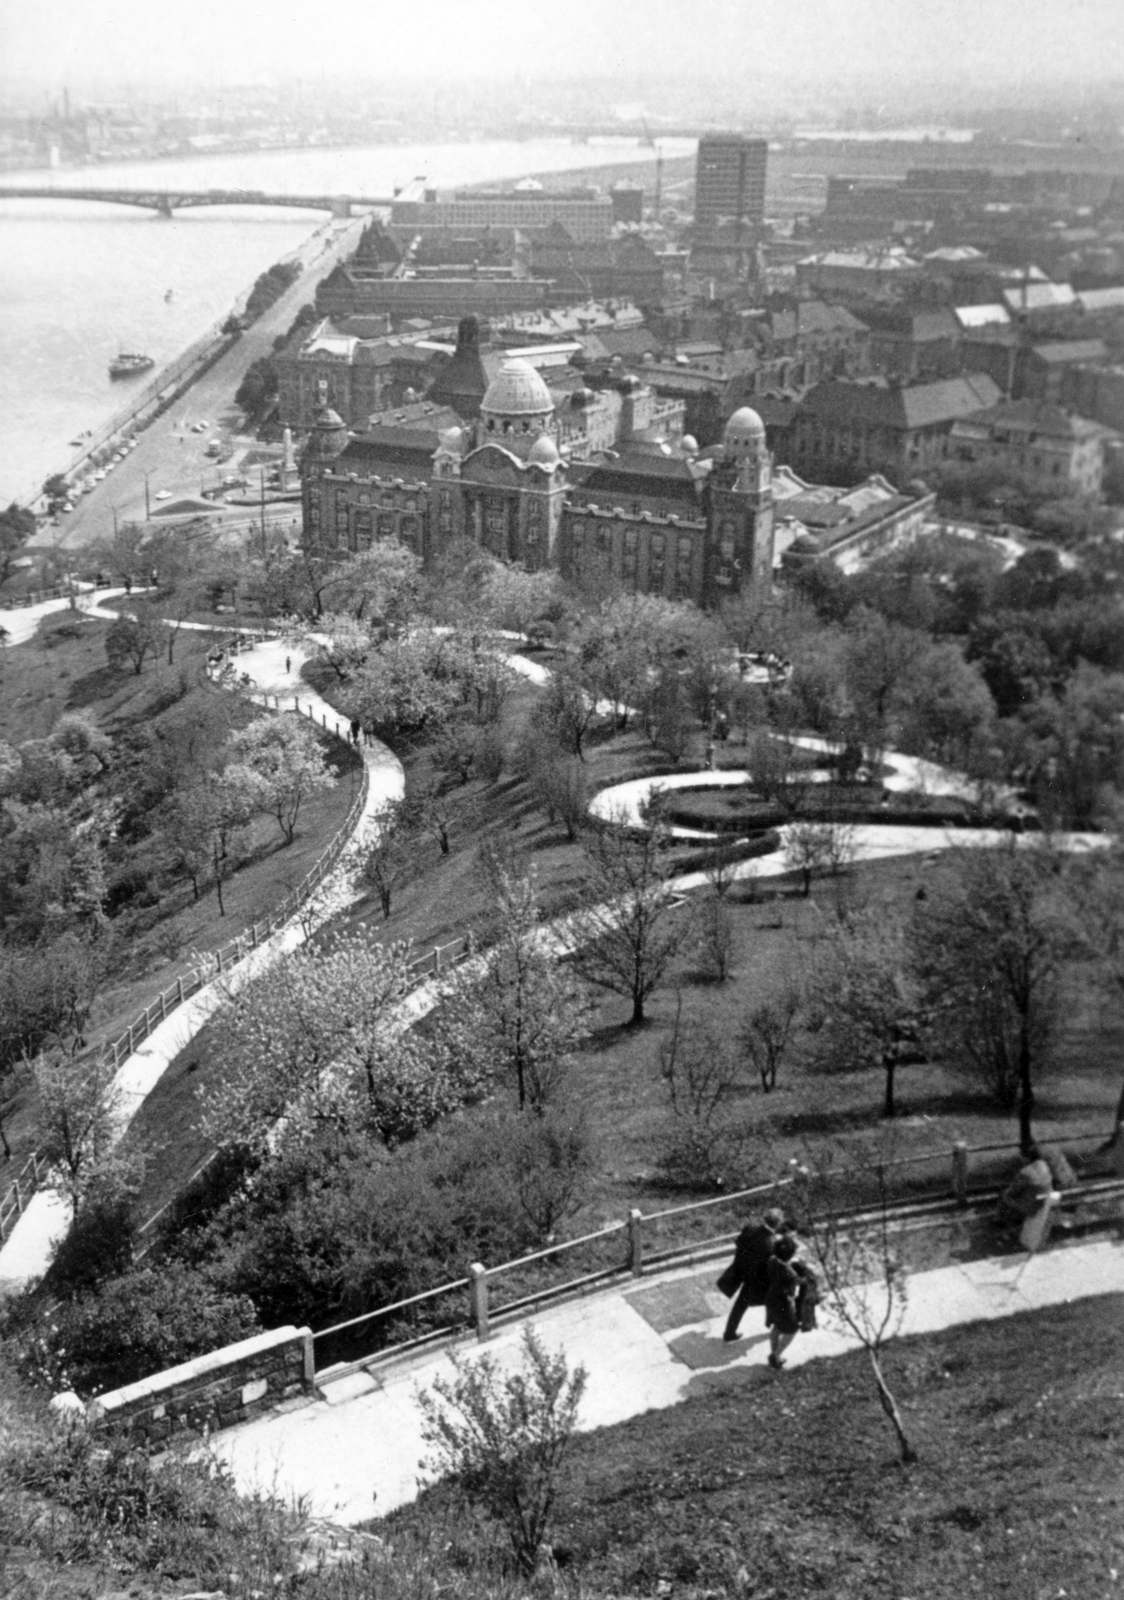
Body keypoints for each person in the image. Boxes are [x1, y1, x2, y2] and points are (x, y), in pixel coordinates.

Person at [719, 1208, 784, 1342]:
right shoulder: (772, 1245)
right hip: (758, 1279)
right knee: (772, 1300)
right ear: (777, 1224)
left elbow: (739, 1242)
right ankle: (772, 1324)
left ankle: (729, 1332)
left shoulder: (750, 1228)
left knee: (740, 1305)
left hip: (743, 1270)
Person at [764, 1234, 802, 1368]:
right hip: (783, 1303)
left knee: (777, 1327)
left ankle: (774, 1353)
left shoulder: (772, 1260)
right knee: (792, 1329)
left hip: (771, 1298)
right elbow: (795, 1286)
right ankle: (776, 1356)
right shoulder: (791, 1274)